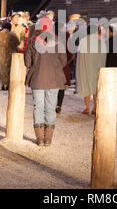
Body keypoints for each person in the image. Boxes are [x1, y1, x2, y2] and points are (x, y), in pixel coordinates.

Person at [24, 16, 67, 146]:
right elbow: (63, 61)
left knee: (38, 107)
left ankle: (39, 139)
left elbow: (27, 62)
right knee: (50, 107)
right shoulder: (58, 41)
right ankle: (48, 139)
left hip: (37, 79)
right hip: (54, 79)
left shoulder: (32, 41)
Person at [76, 24, 107, 115]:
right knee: (96, 86)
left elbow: (80, 55)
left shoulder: (83, 41)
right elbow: (104, 56)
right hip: (97, 67)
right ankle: (95, 108)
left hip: (86, 67)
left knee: (86, 85)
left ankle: (87, 107)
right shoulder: (101, 41)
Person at [55, 22, 74, 114]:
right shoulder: (66, 35)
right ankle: (58, 104)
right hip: (63, 62)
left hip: (52, 63)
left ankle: (51, 104)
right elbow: (70, 50)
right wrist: (69, 59)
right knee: (61, 86)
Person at [0, 21, 20, 91]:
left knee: (2, 69)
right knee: (10, 69)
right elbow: (18, 42)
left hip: (1, 53)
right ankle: (8, 84)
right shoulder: (12, 34)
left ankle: (3, 84)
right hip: (10, 53)